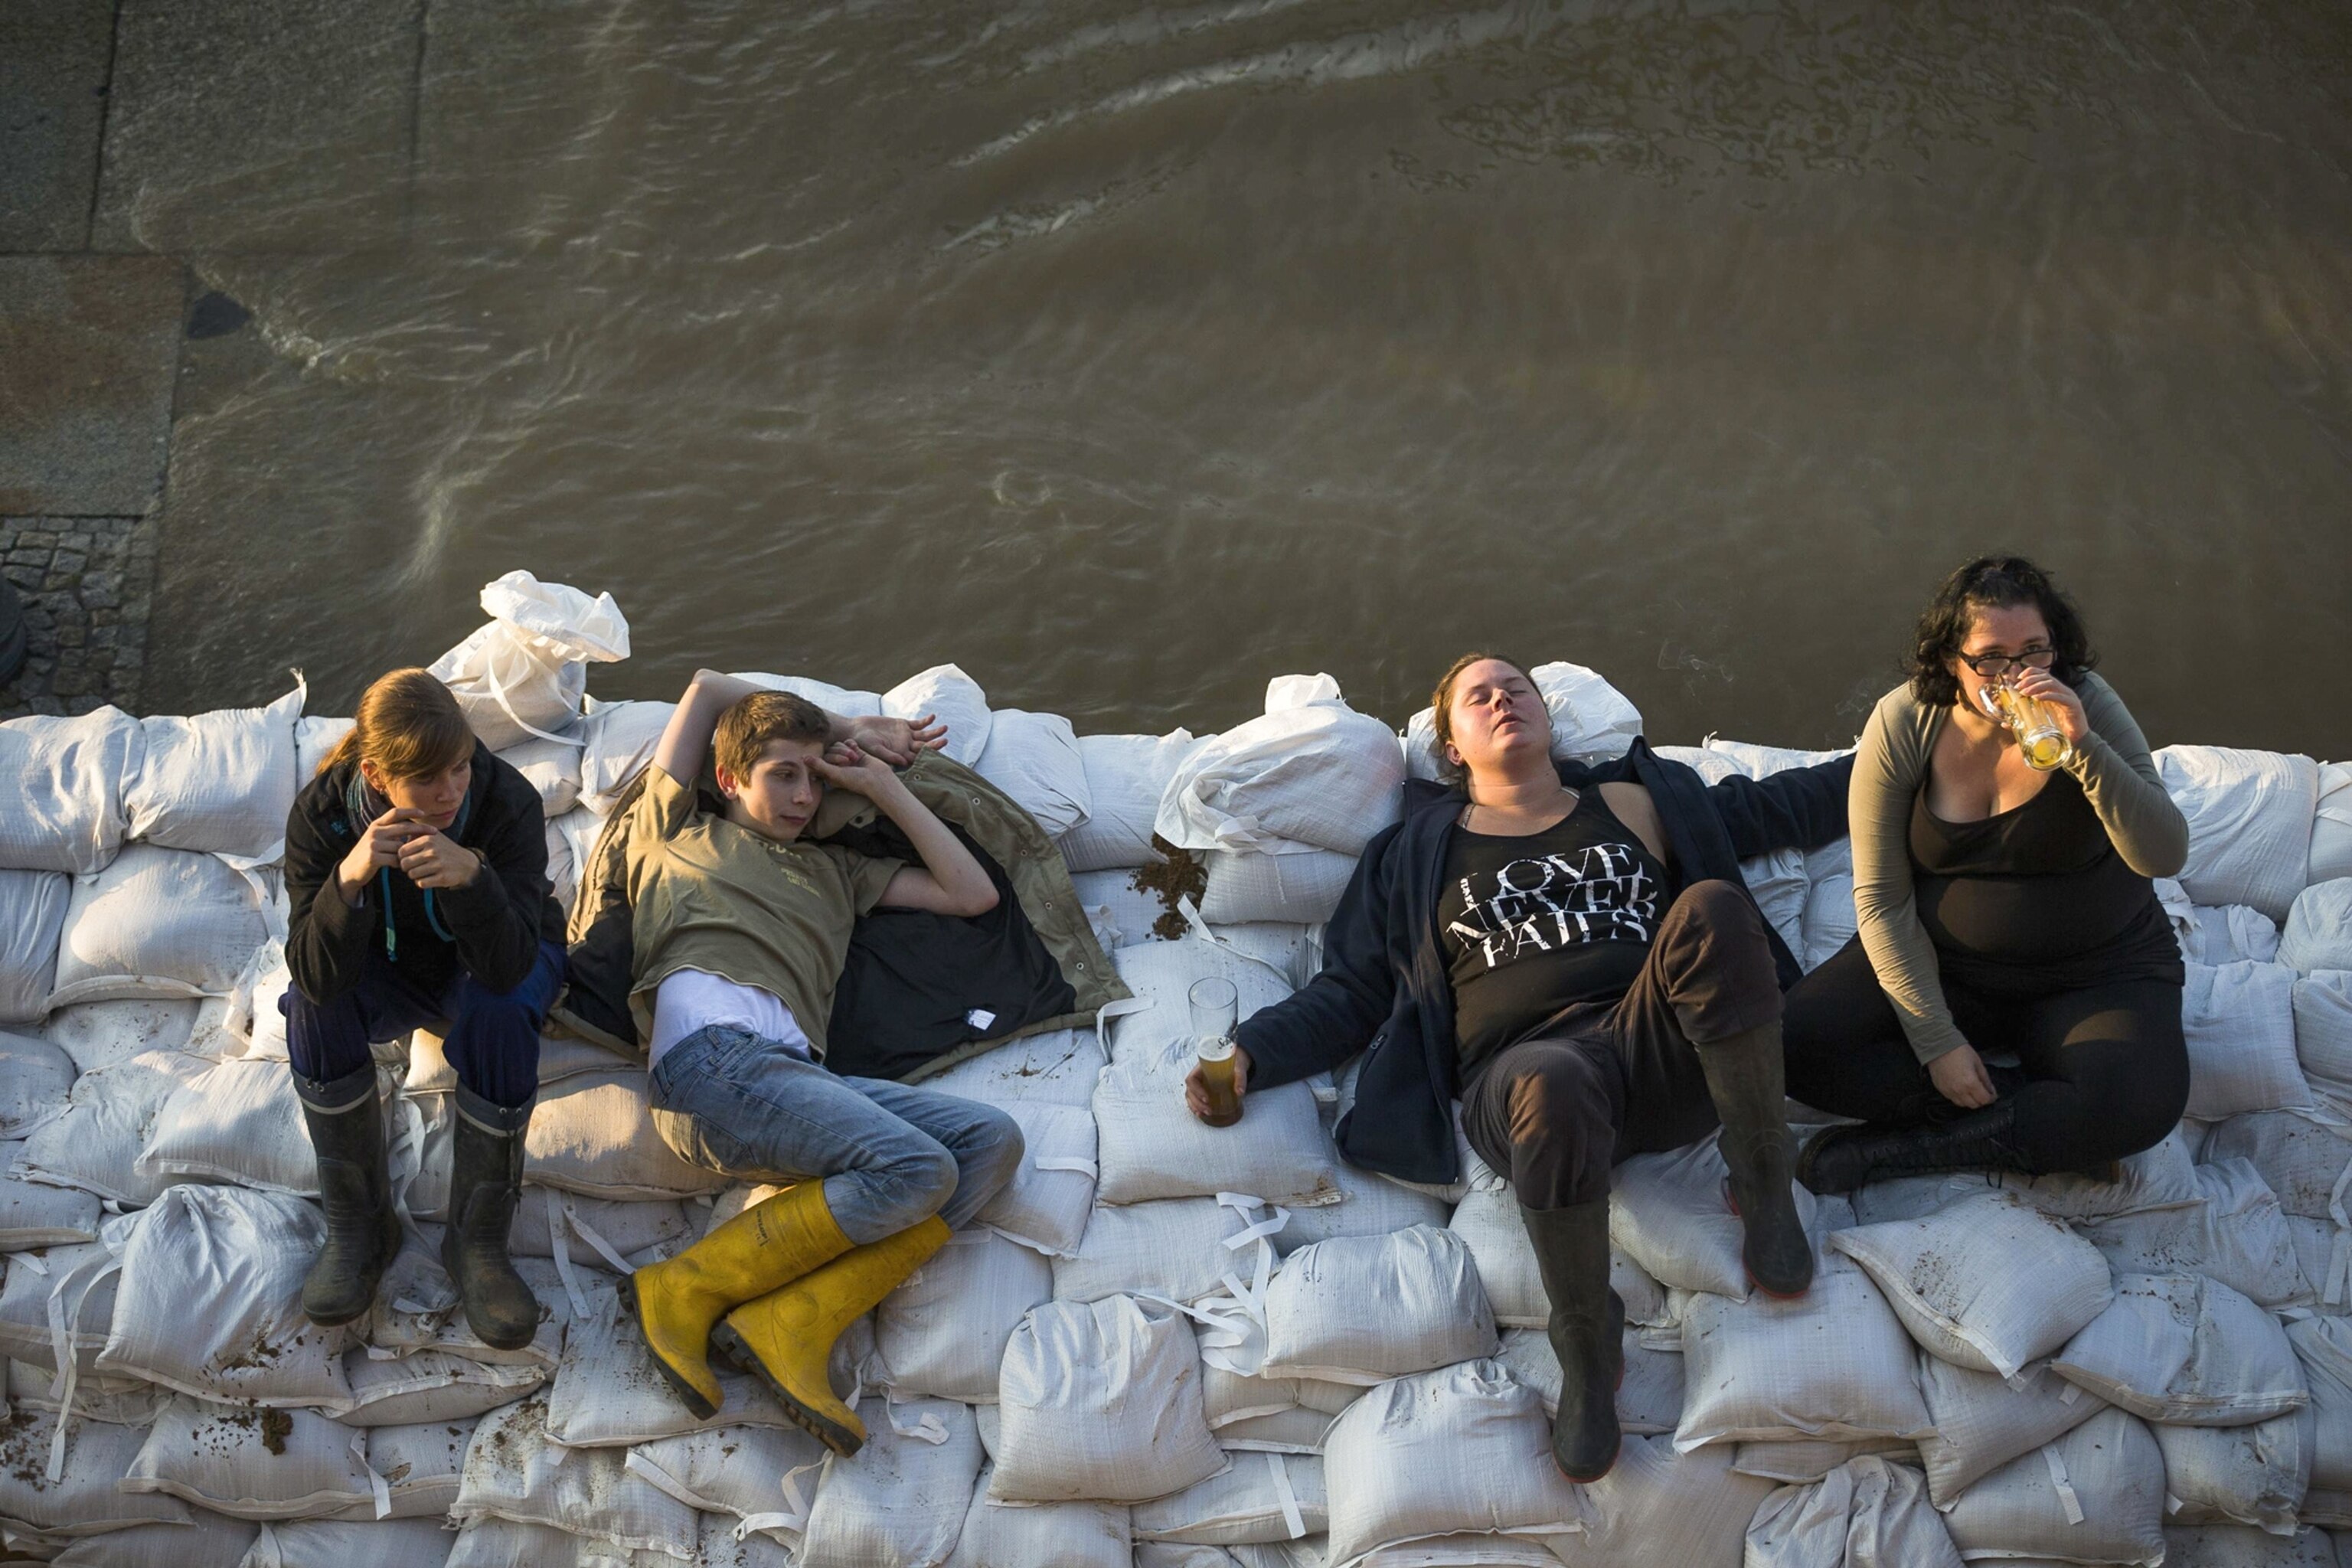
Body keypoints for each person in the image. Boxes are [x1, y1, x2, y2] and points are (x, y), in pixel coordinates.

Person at [1188, 654, 1851, 1482]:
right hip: (1530, 1085)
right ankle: (1584, 1333)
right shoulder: (1413, 853)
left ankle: (1761, 1183)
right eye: (1480, 696)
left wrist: (1933, 738)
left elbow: (1793, 803)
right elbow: (1353, 988)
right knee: (1553, 1079)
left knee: (1715, 906)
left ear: (1545, 717)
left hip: (1666, 1051)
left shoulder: (1636, 801)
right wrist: (1255, 1048)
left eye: (1517, 688)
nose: (1503, 698)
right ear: (1452, 746)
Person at [616, 671, 1024, 1456]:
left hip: (792, 1079)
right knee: (916, 1167)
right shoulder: (677, 830)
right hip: (706, 1066)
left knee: (990, 1142)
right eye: (784, 773)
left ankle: (791, 1319)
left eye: (814, 776)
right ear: (731, 777)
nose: (804, 795)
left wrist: (874, 783)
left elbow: (972, 894)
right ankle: (684, 1285)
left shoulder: (839, 873)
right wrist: (849, 723)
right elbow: (704, 688)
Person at [1782, 557, 2190, 1191]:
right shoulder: (1905, 721)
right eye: (1990, 658)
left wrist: (2084, 750)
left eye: (2034, 652)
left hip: (2095, 969)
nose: (2016, 676)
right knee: (1794, 1042)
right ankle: (2044, 1121)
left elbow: (2163, 855)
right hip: (1950, 965)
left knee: (2142, 1101)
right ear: (1950, 659)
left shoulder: (2086, 705)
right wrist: (1936, 1042)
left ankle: (1912, 1150)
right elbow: (1883, 900)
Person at [283, 668, 567, 1348]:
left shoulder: (505, 803)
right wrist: (350, 880)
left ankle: (477, 1243)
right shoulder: (322, 817)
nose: (450, 791)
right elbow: (316, 975)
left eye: (461, 767)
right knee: (309, 1009)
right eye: (428, 780)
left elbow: (509, 963)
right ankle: (360, 1226)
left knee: (500, 1010)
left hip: (497, 951)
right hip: (392, 967)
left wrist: (472, 877)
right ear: (378, 776)